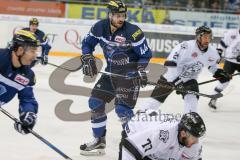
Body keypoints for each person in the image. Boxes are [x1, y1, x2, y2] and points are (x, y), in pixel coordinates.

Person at [79, 0, 152, 155]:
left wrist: (140, 70)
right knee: (95, 102)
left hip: (130, 75)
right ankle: (99, 141)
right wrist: (87, 57)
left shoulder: (133, 32)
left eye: (123, 15)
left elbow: (146, 54)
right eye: (118, 15)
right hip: (111, 72)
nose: (121, 18)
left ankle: (138, 144)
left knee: (122, 109)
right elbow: (87, 43)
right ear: (110, 15)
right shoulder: (99, 27)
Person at [139, 26, 231, 113]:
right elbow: (170, 63)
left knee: (192, 100)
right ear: (199, 37)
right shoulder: (185, 46)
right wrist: (176, 81)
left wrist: (220, 73)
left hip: (189, 79)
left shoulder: (213, 53)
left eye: (209, 37)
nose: (207, 40)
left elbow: (213, 66)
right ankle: (138, 119)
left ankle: (189, 119)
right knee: (155, 101)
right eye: (205, 37)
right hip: (169, 77)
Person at [119, 111, 205, 160]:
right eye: (193, 138)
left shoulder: (194, 143)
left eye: (197, 138)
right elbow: (130, 147)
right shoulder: (162, 134)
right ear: (183, 133)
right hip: (135, 134)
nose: (196, 142)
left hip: (159, 147)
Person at [0, 30, 40, 134]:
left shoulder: (27, 76)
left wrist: (28, 114)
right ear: (20, 50)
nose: (35, 56)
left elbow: (27, 99)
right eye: (32, 51)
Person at [208, 29, 240, 109]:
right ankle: (213, 98)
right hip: (230, 62)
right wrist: (218, 54)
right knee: (224, 81)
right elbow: (222, 45)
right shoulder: (232, 33)